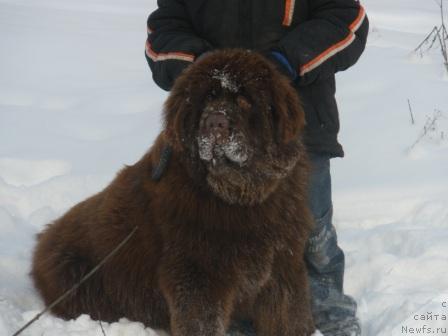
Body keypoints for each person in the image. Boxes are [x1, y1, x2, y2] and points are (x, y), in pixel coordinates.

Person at [145, 1, 369, 335]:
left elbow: (349, 21)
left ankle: (328, 310)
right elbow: (163, 33)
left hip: (296, 131)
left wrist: (285, 61)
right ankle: (239, 317)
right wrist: (202, 64)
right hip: (211, 133)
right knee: (220, 238)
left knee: (313, 234)